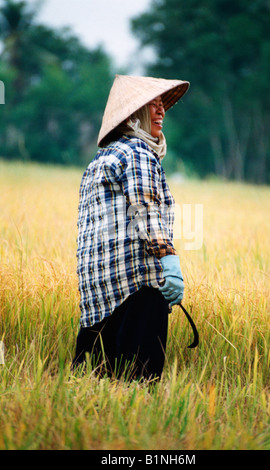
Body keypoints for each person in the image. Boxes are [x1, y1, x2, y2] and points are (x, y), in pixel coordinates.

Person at [72, 74, 190, 382]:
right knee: (139, 386)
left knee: (94, 389)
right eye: (151, 105)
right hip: (137, 289)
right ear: (132, 116)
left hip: (99, 294)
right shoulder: (138, 154)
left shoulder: (100, 160)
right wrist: (169, 262)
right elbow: (146, 209)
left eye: (162, 105)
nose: (161, 111)